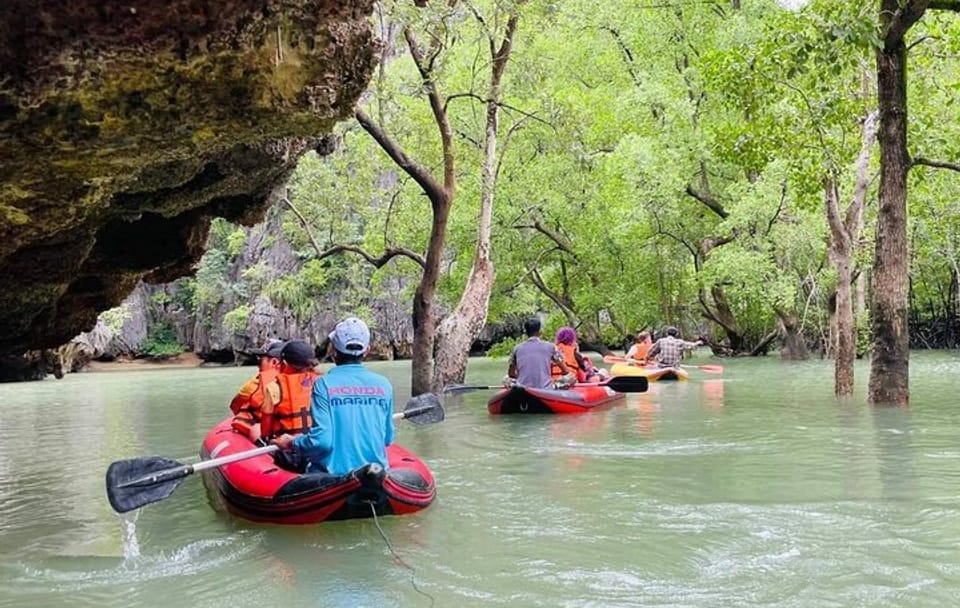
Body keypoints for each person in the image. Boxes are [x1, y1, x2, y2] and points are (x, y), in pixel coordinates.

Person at [271, 317, 395, 476]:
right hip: (375, 473)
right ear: (367, 350)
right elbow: (388, 439)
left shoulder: (324, 385)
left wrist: (292, 442)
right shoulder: (384, 385)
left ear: (333, 351)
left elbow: (321, 442)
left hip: (332, 476)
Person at [259, 340, 321, 441]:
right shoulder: (322, 382)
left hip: (287, 448)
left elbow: (266, 428)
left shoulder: (275, 387)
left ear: (284, 363)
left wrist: (267, 438)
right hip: (316, 443)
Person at [230, 339, 285, 442]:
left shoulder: (254, 384)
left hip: (270, 433)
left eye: (260, 360)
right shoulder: (304, 380)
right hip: (294, 431)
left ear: (274, 362)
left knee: (253, 427)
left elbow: (235, 407)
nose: (258, 364)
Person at [506, 318, 574, 389]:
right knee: (571, 377)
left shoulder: (517, 348)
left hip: (522, 388)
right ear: (540, 332)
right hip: (545, 388)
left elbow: (511, 374)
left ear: (526, 333)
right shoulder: (550, 347)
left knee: (506, 379)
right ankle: (555, 388)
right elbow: (565, 371)